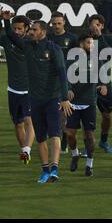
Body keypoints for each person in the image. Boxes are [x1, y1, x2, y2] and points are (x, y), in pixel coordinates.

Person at [4, 16, 73, 183]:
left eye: (34, 30)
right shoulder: (27, 46)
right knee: (40, 137)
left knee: (54, 134)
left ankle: (55, 169)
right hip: (34, 100)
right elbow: (11, 36)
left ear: (42, 32)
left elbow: (62, 74)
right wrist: (6, 21)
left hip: (52, 99)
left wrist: (64, 98)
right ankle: (44, 170)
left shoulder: (54, 49)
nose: (30, 32)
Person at [0, 7, 35, 164]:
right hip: (13, 89)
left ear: (27, 29)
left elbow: (16, 40)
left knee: (29, 121)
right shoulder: (7, 39)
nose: (17, 31)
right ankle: (24, 151)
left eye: (20, 28)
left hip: (29, 89)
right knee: (18, 123)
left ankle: (27, 149)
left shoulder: (29, 42)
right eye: (15, 29)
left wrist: (6, 21)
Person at [67, 34, 107, 176]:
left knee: (89, 135)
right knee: (70, 134)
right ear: (81, 44)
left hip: (89, 102)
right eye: (89, 42)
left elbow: (103, 76)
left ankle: (89, 164)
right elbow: (65, 76)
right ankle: (75, 154)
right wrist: (68, 88)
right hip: (73, 103)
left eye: (93, 43)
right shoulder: (72, 58)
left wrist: (103, 85)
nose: (92, 45)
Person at [47, 12, 78, 154]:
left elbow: (76, 62)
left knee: (65, 113)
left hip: (68, 80)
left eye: (59, 23)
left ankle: (64, 141)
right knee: (54, 113)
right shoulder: (47, 38)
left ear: (64, 22)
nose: (56, 26)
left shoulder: (72, 39)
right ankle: (58, 140)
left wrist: (71, 85)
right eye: (54, 24)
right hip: (51, 81)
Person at [88, 14, 112, 154]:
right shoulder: (84, 39)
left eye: (97, 25)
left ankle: (104, 141)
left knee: (107, 115)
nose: (95, 28)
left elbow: (109, 55)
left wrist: (99, 37)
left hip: (104, 82)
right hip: (87, 84)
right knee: (88, 115)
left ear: (102, 26)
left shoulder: (109, 39)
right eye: (93, 25)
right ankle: (89, 145)